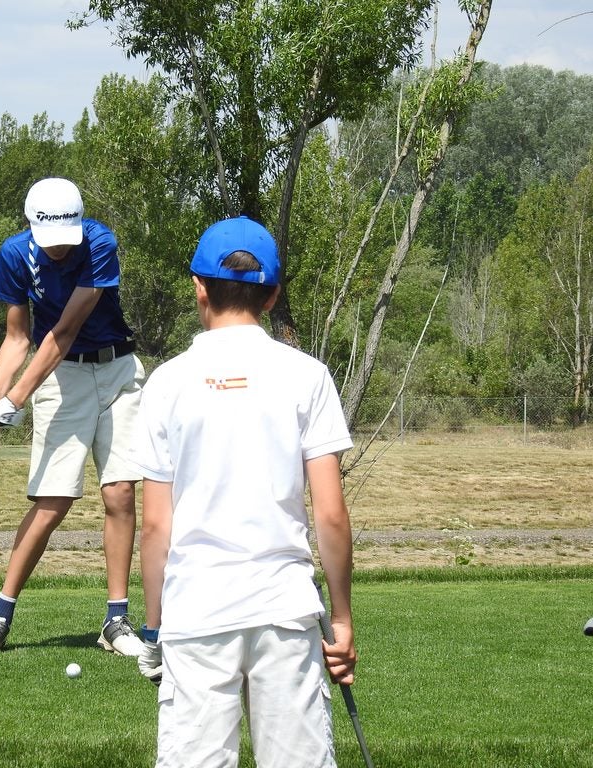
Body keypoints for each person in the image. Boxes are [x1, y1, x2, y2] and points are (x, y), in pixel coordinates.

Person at [132, 216, 358, 768]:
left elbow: (156, 526)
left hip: (196, 609)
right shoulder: (308, 375)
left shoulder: (166, 383)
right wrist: (342, 618)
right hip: (285, 608)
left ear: (198, 287)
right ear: (273, 295)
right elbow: (330, 515)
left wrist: (155, 626)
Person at [0, 177, 146, 658]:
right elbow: (17, 338)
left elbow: (65, 331)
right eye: (50, 239)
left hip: (117, 371)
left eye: (66, 237)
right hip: (63, 379)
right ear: (31, 225)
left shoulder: (100, 243)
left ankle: (116, 620)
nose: (59, 248)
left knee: (120, 492)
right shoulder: (14, 254)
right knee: (53, 501)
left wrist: (15, 398)